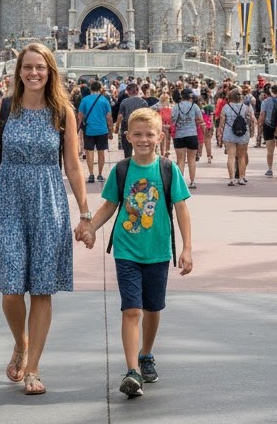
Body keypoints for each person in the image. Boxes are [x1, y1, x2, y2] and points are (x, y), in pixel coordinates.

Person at [0, 43, 90, 396]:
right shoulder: (4, 108)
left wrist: (85, 214)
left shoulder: (62, 112)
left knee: (41, 289)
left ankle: (34, 368)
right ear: (18, 71)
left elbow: (72, 165)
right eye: (28, 67)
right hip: (9, 201)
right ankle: (21, 343)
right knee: (11, 291)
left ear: (50, 71)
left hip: (48, 203)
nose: (34, 73)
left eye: (40, 67)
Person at [77, 107, 192, 399]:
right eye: (137, 135)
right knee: (132, 309)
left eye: (149, 135)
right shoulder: (122, 170)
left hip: (158, 251)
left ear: (160, 137)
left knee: (153, 309)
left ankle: (146, 354)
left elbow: (181, 209)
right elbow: (109, 206)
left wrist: (187, 248)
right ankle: (132, 371)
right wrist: (90, 227)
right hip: (126, 250)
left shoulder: (168, 169)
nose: (143, 140)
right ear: (127, 136)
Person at [78, 79, 113, 183]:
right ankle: (100, 174)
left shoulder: (85, 100)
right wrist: (111, 130)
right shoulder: (104, 100)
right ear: (100, 89)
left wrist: (77, 127)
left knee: (89, 152)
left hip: (89, 129)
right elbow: (109, 117)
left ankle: (91, 174)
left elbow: (80, 115)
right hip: (102, 130)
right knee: (101, 152)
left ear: (90, 89)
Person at [170, 87, 204, 190]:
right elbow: (200, 120)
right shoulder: (195, 106)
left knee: (180, 160)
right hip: (192, 134)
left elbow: (173, 121)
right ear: (191, 96)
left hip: (179, 135)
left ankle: (180, 183)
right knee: (191, 160)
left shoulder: (176, 107)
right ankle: (192, 182)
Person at [219, 91, 255, 185]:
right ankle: (241, 178)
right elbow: (252, 120)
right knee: (242, 157)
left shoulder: (226, 107)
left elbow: (222, 124)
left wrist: (220, 136)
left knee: (231, 157)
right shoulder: (246, 107)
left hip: (229, 134)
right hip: (243, 134)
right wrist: (252, 132)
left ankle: (231, 179)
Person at [114, 82, 147, 160]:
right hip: (140, 129)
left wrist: (116, 128)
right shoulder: (143, 102)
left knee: (127, 152)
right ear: (137, 91)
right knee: (140, 151)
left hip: (126, 129)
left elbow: (120, 116)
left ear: (128, 92)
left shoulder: (124, 102)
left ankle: (128, 167)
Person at [260, 85, 277, 177]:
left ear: (271, 91)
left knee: (270, 150)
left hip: (268, 126)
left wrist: (260, 127)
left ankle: (270, 169)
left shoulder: (265, 102)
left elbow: (262, 115)